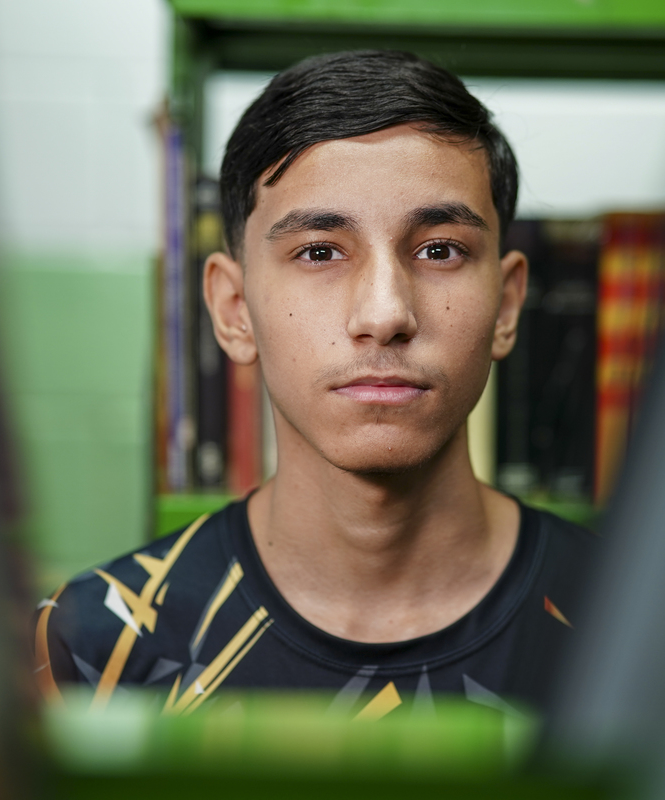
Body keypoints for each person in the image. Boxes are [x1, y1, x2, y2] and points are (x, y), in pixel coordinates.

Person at [34, 50, 597, 719]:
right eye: (319, 252)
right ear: (234, 310)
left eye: (439, 250)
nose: (384, 314)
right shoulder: (93, 648)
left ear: (506, 306)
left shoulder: (645, 623)